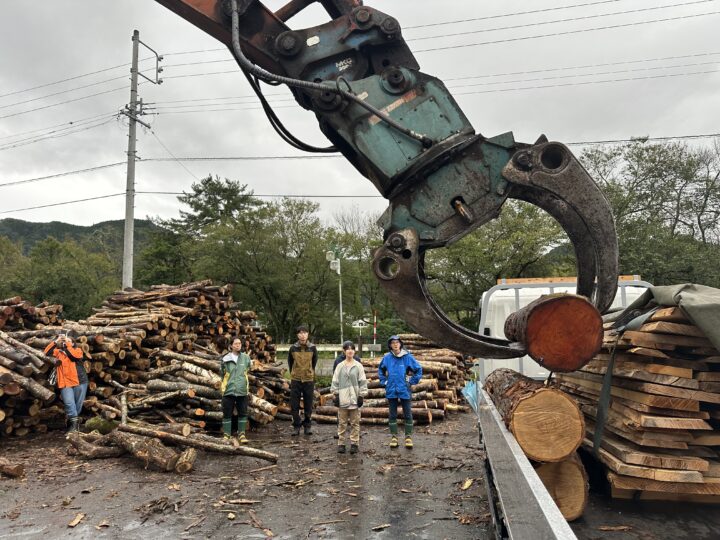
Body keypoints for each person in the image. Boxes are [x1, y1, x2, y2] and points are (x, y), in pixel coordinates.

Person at [378, 335, 422, 449]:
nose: (395, 344)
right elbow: (380, 370)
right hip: (391, 389)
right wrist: (384, 382)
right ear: (390, 345)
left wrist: (411, 381)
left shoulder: (407, 357)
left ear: (400, 344)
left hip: (404, 389)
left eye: (397, 342)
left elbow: (418, 369)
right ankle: (394, 437)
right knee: (392, 414)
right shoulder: (387, 358)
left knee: (407, 413)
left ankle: (408, 438)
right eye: (393, 342)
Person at [44, 330, 87, 433]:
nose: (66, 343)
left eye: (69, 341)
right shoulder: (59, 352)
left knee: (78, 404)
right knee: (68, 403)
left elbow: (73, 357)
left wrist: (67, 345)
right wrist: (56, 341)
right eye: (65, 341)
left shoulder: (78, 351)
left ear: (73, 343)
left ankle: (72, 423)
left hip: (80, 381)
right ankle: (74, 426)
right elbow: (46, 352)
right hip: (65, 383)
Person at [330, 341, 367, 454]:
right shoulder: (339, 366)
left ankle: (354, 443)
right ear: (344, 351)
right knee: (342, 423)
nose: (350, 350)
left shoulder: (358, 366)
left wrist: (361, 395)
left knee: (355, 423)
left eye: (352, 348)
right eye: (347, 348)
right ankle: (341, 443)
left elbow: (363, 382)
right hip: (343, 399)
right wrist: (335, 395)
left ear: (354, 351)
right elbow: (335, 381)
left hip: (355, 398)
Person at [221, 337, 252, 445]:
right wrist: (224, 387)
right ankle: (226, 435)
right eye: (236, 343)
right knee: (227, 413)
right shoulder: (225, 359)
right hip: (228, 390)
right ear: (231, 345)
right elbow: (223, 374)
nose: (238, 345)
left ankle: (242, 434)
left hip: (242, 390)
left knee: (243, 412)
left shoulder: (246, 358)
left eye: (239, 343)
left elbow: (247, 370)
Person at [287, 324, 318, 436]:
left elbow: (314, 362)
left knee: (308, 404)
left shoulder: (313, 348)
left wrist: (309, 372)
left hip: (309, 379)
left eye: (305, 333)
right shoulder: (293, 348)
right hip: (296, 379)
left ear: (308, 334)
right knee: (294, 404)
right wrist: (295, 373)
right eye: (300, 333)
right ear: (297, 335)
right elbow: (290, 363)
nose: (303, 335)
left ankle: (307, 425)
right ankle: (296, 425)